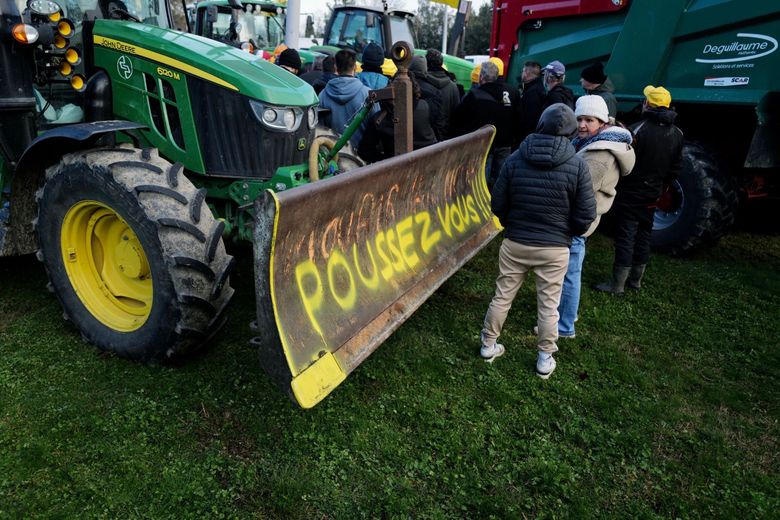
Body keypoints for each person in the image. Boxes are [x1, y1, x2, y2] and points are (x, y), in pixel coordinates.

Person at [480, 103, 596, 379]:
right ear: (570, 131)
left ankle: (487, 345)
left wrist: (512, 224)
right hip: (555, 248)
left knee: (502, 296)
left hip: (516, 242)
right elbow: (587, 213)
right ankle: (545, 358)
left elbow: (497, 202)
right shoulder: (578, 166)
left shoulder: (516, 159)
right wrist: (568, 233)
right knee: (548, 305)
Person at [554, 95, 635, 337]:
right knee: (567, 271)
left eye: (589, 120)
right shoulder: (590, 142)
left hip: (577, 221)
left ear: (601, 122)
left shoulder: (599, 154)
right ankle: (568, 313)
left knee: (569, 274)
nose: (581, 125)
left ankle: (564, 325)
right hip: (581, 218)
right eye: (579, 119)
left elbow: (577, 189)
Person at [594, 85, 683, 294]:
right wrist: (661, 188)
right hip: (653, 194)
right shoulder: (677, 133)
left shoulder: (638, 130)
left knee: (626, 236)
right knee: (644, 235)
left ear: (648, 104)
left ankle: (617, 285)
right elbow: (676, 167)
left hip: (631, 194)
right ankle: (635, 281)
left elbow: (625, 161)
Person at [449, 61, 521, 188]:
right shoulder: (511, 91)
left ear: (481, 77)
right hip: (505, 141)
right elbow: (519, 117)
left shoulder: (474, 96)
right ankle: (498, 202)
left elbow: (457, 119)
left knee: (481, 179)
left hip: (483, 144)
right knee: (502, 177)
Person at [319, 49, 374, 148]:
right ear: (355, 67)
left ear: (336, 67)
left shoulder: (322, 95)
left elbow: (319, 129)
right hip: (361, 158)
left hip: (332, 156)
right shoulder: (368, 94)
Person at [406, 55, 446, 140]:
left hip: (407, 138)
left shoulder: (404, 87)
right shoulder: (435, 91)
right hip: (428, 141)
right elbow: (439, 122)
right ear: (425, 69)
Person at [425, 49, 460, 130]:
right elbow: (456, 114)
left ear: (426, 63)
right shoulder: (453, 87)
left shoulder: (422, 84)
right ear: (441, 63)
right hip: (447, 134)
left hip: (428, 135)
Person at [518, 61, 545, 142]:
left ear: (527, 73)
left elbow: (529, 120)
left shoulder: (533, 93)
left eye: (523, 71)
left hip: (527, 139)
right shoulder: (536, 89)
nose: (522, 73)